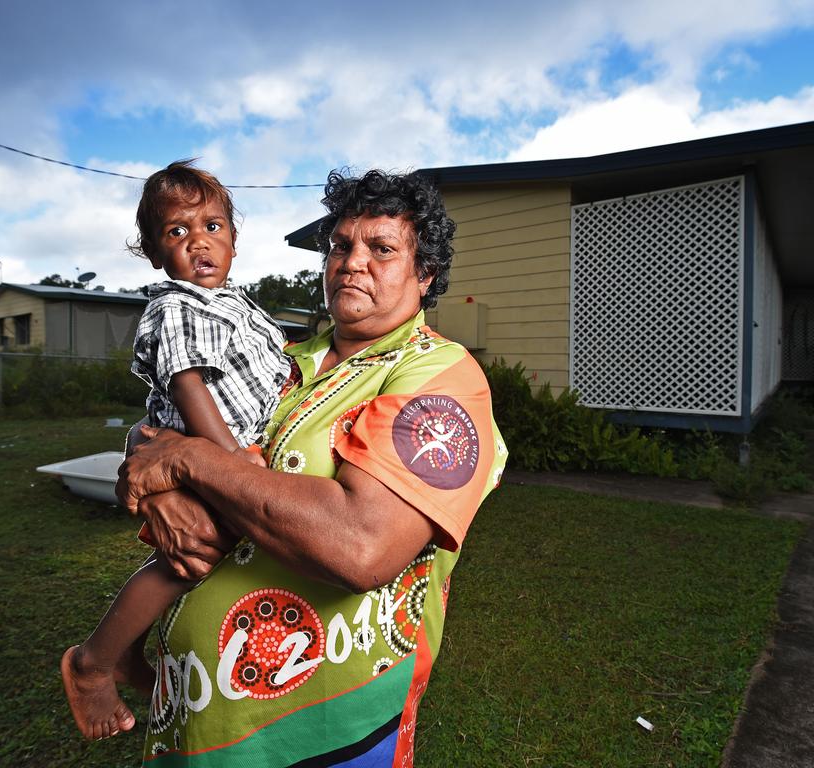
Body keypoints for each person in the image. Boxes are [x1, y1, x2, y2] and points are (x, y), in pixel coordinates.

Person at [118, 168, 508, 766]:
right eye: (341, 246)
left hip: (327, 727)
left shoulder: (439, 376)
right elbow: (163, 425)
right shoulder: (277, 359)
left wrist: (192, 462)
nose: (353, 262)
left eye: (381, 248)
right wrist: (154, 480)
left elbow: (362, 546)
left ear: (424, 275)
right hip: (198, 710)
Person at [60, 161, 290, 741]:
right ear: (155, 252)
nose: (199, 243)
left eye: (213, 226)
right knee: (185, 560)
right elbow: (189, 385)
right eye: (177, 232)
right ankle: (91, 664)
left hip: (227, 450)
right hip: (203, 453)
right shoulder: (179, 305)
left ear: (235, 237)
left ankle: (127, 651)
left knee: (198, 562)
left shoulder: (237, 303)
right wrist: (229, 461)